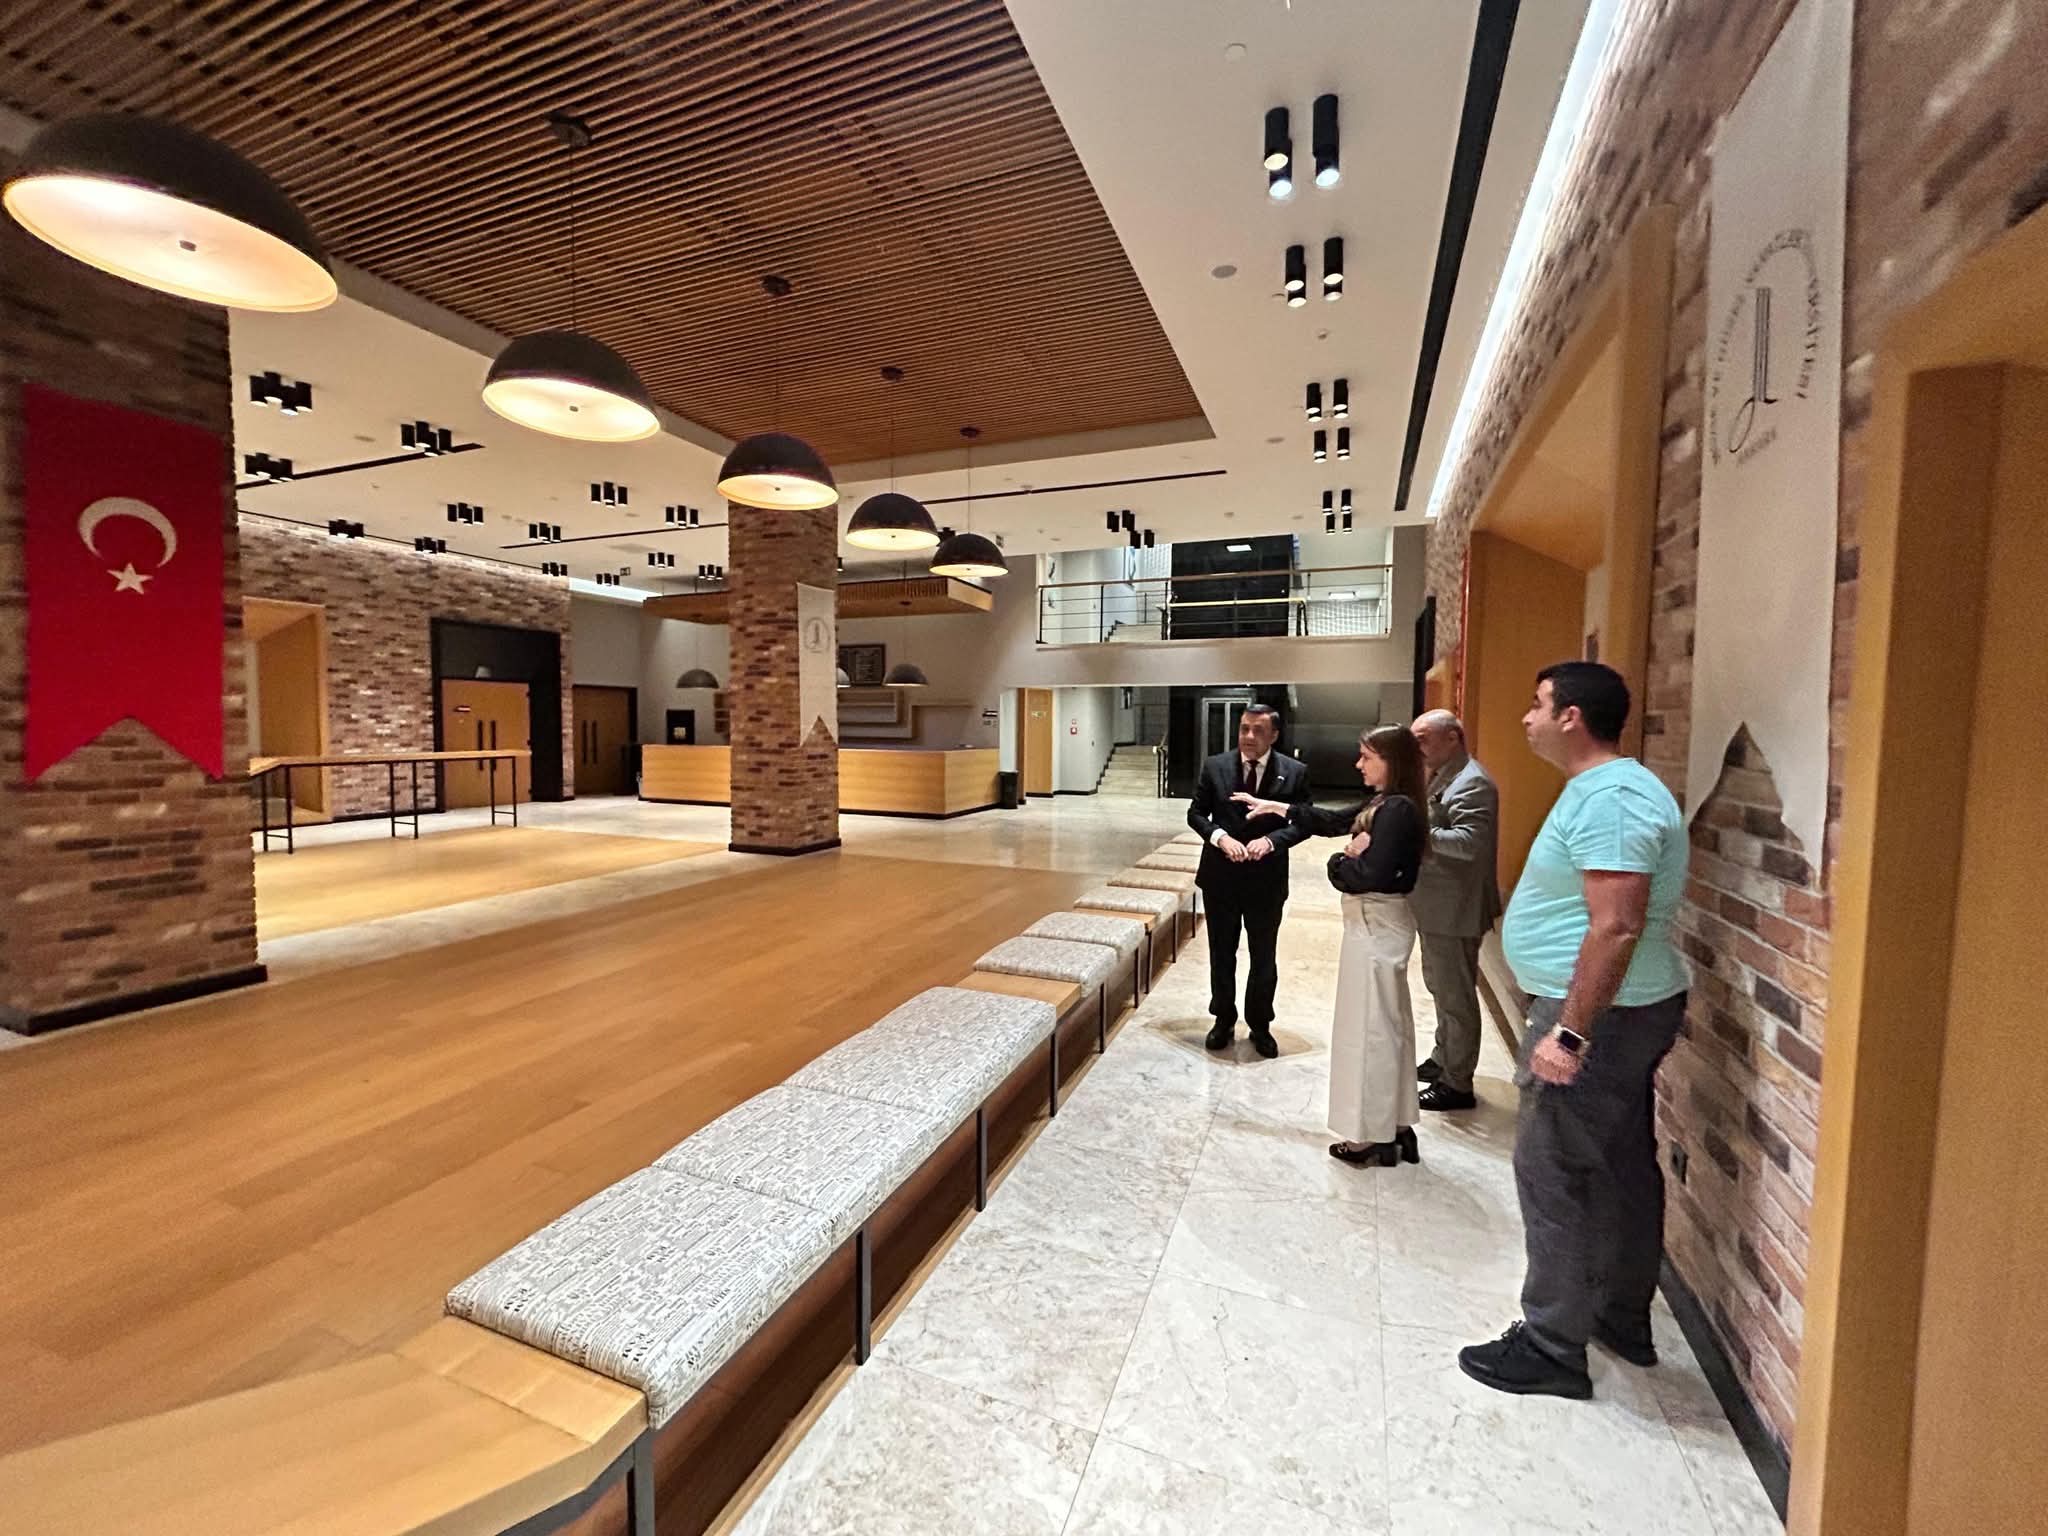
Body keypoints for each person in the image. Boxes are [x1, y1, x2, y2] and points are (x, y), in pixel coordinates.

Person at [1457, 662, 1691, 1400]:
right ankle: (1619, 1314)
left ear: (1572, 717)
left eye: (1538, 705)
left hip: (1598, 1016)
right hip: (1616, 1010)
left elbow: (1616, 925)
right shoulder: (1602, 790)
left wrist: (1570, 1034)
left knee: (1552, 1168)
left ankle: (1553, 1345)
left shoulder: (1615, 798)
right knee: (1618, 1162)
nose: (1526, 718)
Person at [1237, 724, 1427, 1166]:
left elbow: (1367, 875)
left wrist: (1339, 861)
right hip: (1376, 925)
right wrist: (1279, 808)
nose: (1358, 765)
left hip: (1376, 926)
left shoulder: (1397, 809)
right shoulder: (1387, 802)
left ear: (1391, 760)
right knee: (1385, 1026)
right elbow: (1333, 821)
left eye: (1366, 757)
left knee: (1370, 1031)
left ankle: (1368, 1136)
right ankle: (1395, 1125)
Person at [1186, 703, 1313, 1058]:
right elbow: (1196, 813)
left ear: (1274, 735)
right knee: (1221, 952)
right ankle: (1223, 1018)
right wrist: (1220, 837)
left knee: (1263, 956)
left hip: (1266, 879)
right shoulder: (1215, 766)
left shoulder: (1294, 772)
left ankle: (1260, 1024)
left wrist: (1272, 841)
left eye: (1258, 730)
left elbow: (1304, 821)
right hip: (1220, 877)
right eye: (1244, 728)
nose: (1249, 736)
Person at [1408, 710, 1501, 1112]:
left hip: (1456, 908)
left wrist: (1414, 833)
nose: (1417, 747)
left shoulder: (1472, 782)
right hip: (1437, 906)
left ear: (1452, 738)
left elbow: (1468, 843)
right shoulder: (1441, 775)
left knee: (1456, 997)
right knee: (1440, 988)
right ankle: (1443, 1057)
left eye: (1423, 738)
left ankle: (1457, 1083)